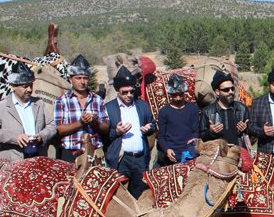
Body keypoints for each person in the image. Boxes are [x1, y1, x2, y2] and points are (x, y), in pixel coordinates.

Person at [0, 62, 56, 160]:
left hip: (38, 158)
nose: (29, 89)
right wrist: (15, 138)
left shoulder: (39, 104)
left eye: (31, 85)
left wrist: (41, 137)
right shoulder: (2, 106)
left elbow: (52, 125)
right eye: (25, 86)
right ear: (13, 86)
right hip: (12, 161)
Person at [104, 66, 155, 198]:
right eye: (125, 92)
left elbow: (153, 125)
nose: (129, 95)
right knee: (120, 195)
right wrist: (116, 132)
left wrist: (149, 129)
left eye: (131, 92)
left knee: (141, 194)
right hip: (121, 159)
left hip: (140, 159)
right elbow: (103, 135)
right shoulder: (109, 108)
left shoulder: (142, 106)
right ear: (117, 91)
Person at [54, 54, 109, 163]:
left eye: (85, 78)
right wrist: (80, 123)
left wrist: (95, 122)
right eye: (78, 78)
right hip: (71, 152)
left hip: (94, 151)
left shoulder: (97, 100)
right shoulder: (62, 101)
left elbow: (106, 128)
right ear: (70, 79)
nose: (82, 82)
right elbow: (59, 130)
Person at [156, 74, 200, 167]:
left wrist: (194, 138)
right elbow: (161, 136)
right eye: (174, 95)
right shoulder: (164, 111)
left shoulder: (193, 108)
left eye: (180, 94)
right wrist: (167, 149)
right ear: (170, 95)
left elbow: (196, 130)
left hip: (189, 151)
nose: (178, 98)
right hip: (172, 153)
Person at [200, 70, 249, 147]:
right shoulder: (207, 112)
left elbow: (253, 134)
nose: (231, 92)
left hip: (238, 153)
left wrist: (246, 129)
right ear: (217, 92)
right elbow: (202, 137)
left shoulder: (242, 109)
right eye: (226, 90)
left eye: (232, 89)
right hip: (218, 155)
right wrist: (211, 132)